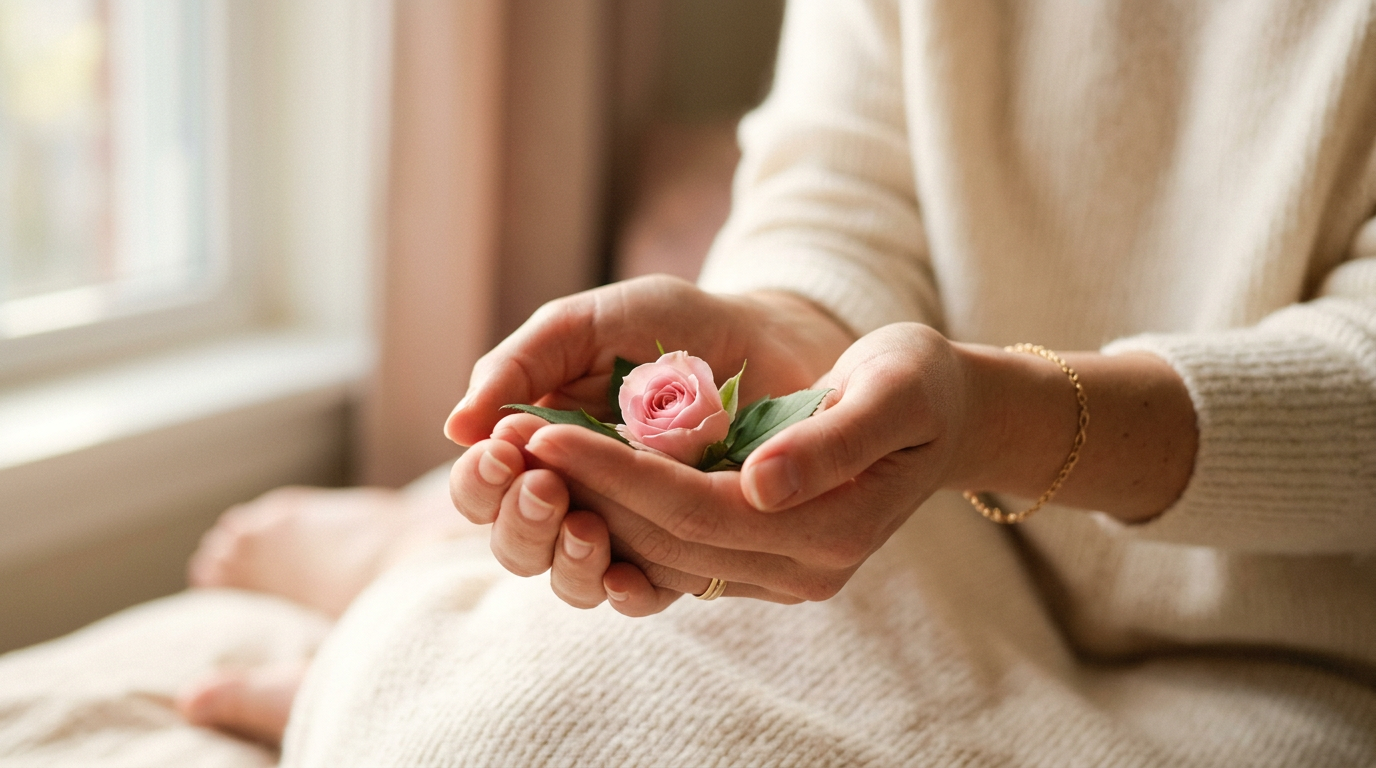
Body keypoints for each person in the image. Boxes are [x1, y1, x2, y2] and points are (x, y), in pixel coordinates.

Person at [176, 0, 1376, 763]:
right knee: (498, 715)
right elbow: (836, 189)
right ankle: (412, 600)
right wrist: (778, 332)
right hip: (936, 521)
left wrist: (991, 418)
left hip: (1292, 659)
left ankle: (394, 611)